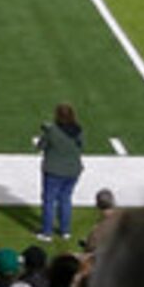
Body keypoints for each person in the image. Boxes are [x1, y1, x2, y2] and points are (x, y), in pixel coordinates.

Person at [33, 102, 84, 240]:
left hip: (54, 170)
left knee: (49, 200)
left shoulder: (52, 131)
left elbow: (40, 146)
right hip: (73, 170)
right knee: (65, 199)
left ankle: (47, 232)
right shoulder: (78, 130)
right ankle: (65, 230)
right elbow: (80, 146)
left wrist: (45, 132)